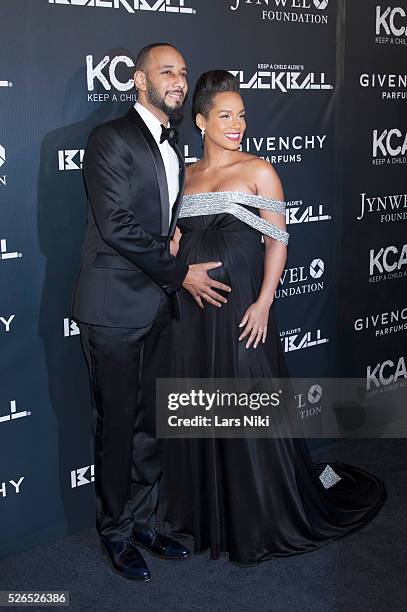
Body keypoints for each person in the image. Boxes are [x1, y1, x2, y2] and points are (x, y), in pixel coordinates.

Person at [163, 70, 387, 565]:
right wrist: (178, 265)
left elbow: (277, 240)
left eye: (242, 115)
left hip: (244, 309)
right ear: (200, 121)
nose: (237, 124)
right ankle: (208, 515)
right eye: (225, 115)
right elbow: (174, 237)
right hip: (193, 311)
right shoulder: (184, 174)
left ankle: (258, 516)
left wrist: (265, 302)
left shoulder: (259, 170)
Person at [72, 46, 231, 581]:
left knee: (149, 426)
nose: (180, 81)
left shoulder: (176, 140)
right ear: (138, 81)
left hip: (158, 307)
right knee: (116, 427)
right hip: (114, 308)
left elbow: (161, 216)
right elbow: (116, 224)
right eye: (168, 72)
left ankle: (142, 521)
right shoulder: (108, 138)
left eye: (184, 73)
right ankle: (114, 533)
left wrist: (176, 233)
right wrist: (179, 271)